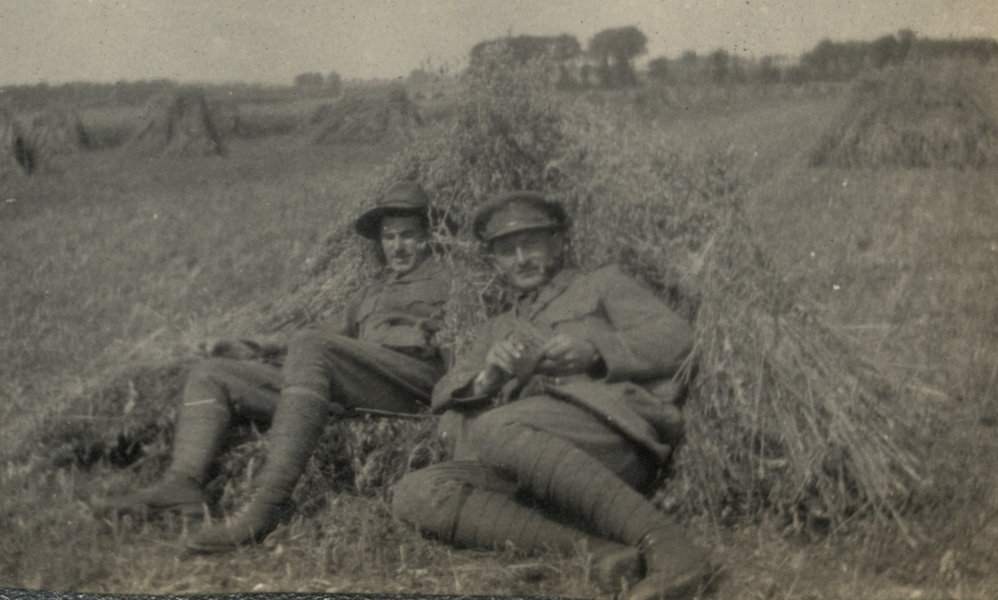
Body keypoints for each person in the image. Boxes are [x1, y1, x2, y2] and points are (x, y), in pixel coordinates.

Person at [94, 181, 452, 553]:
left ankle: (268, 505)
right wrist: (248, 346)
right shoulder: (371, 294)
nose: (397, 247)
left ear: (430, 234)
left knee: (311, 347)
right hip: (356, 383)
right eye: (389, 237)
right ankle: (182, 482)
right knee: (213, 373)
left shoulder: (450, 280)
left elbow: (462, 345)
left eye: (408, 236)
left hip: (411, 384)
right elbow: (315, 334)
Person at [391, 191, 714, 600]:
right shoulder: (496, 327)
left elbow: (678, 338)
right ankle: (603, 555)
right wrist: (487, 380)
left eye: (532, 244)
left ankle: (674, 549)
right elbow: (443, 391)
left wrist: (595, 350)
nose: (522, 258)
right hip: (522, 456)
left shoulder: (601, 284)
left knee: (496, 428)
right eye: (507, 251)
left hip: (608, 434)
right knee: (415, 492)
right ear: (495, 263)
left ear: (559, 243)